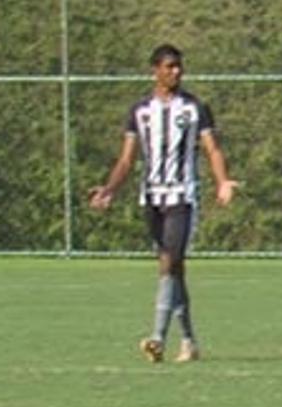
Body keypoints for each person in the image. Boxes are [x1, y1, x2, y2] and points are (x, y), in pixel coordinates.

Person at [87, 44, 240, 364]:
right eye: (169, 67)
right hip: (152, 197)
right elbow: (127, 159)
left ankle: (157, 337)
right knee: (173, 269)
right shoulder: (140, 111)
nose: (176, 72)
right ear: (154, 70)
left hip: (181, 195)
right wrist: (110, 189)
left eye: (179, 67)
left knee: (169, 263)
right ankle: (188, 340)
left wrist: (223, 180)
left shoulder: (195, 108)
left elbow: (212, 149)